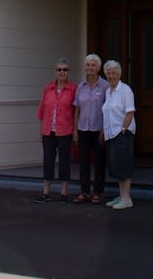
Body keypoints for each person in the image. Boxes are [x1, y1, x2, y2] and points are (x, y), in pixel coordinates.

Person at [36, 58, 76, 203]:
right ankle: (46, 192)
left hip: (65, 131)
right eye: (59, 69)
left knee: (64, 161)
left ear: (68, 72)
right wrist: (40, 131)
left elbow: (76, 111)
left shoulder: (72, 89)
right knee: (48, 160)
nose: (62, 72)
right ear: (55, 72)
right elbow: (42, 110)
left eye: (65, 69)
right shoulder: (48, 88)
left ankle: (64, 192)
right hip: (48, 130)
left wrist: (75, 131)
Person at [101, 59, 136, 210]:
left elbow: (130, 111)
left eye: (114, 73)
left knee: (124, 165)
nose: (111, 76)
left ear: (119, 74)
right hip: (111, 134)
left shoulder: (125, 90)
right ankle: (121, 195)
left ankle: (126, 198)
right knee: (117, 166)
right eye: (108, 73)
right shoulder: (108, 91)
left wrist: (123, 129)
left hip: (122, 133)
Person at [72, 53, 107, 204]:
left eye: (93, 65)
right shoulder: (80, 86)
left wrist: (104, 130)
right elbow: (77, 109)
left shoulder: (105, 86)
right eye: (88, 65)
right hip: (83, 129)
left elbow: (108, 109)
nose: (90, 68)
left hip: (98, 129)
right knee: (84, 162)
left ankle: (98, 192)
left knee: (99, 162)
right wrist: (75, 130)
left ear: (98, 68)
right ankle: (84, 191)